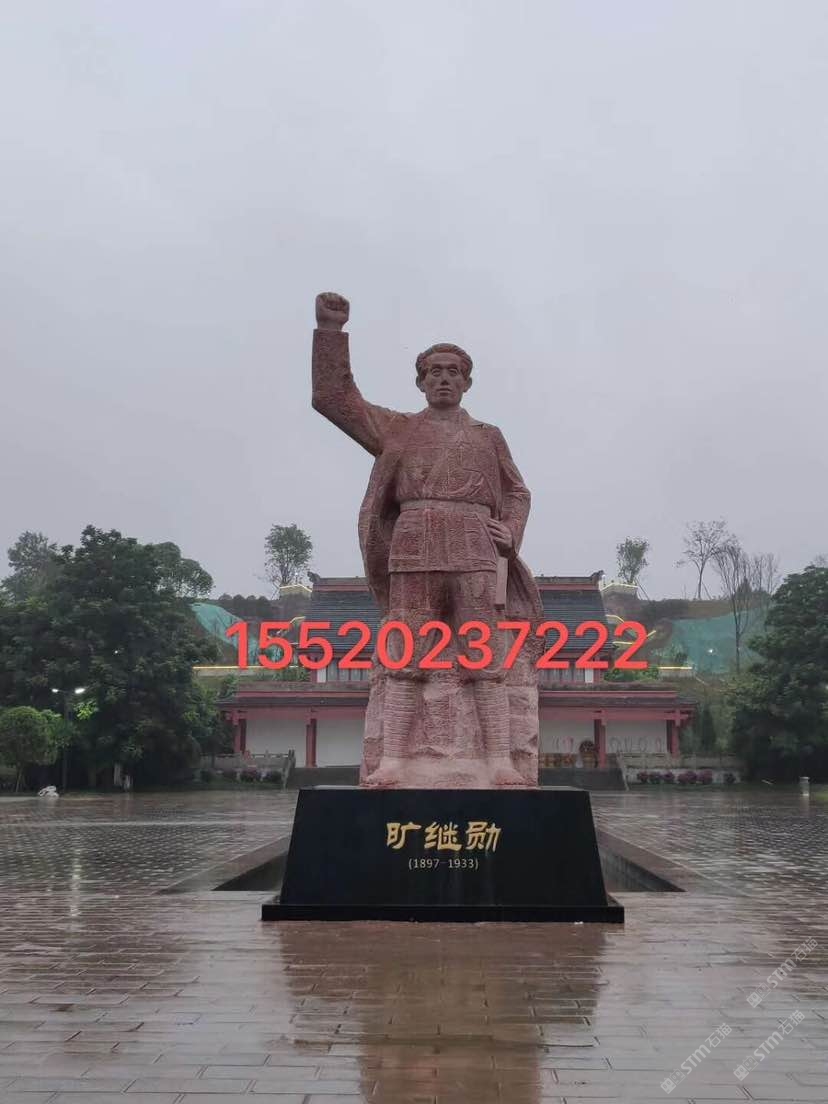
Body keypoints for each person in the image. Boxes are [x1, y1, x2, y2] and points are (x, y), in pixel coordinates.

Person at [312, 292, 542, 787]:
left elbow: (517, 491)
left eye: (453, 371)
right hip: (414, 547)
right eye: (434, 371)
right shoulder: (398, 429)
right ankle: (393, 759)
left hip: (475, 549)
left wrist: (511, 531)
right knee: (404, 655)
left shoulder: (487, 434)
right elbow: (333, 399)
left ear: (467, 381)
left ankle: (498, 761)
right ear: (420, 381)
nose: (443, 378)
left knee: (484, 656)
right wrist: (331, 332)